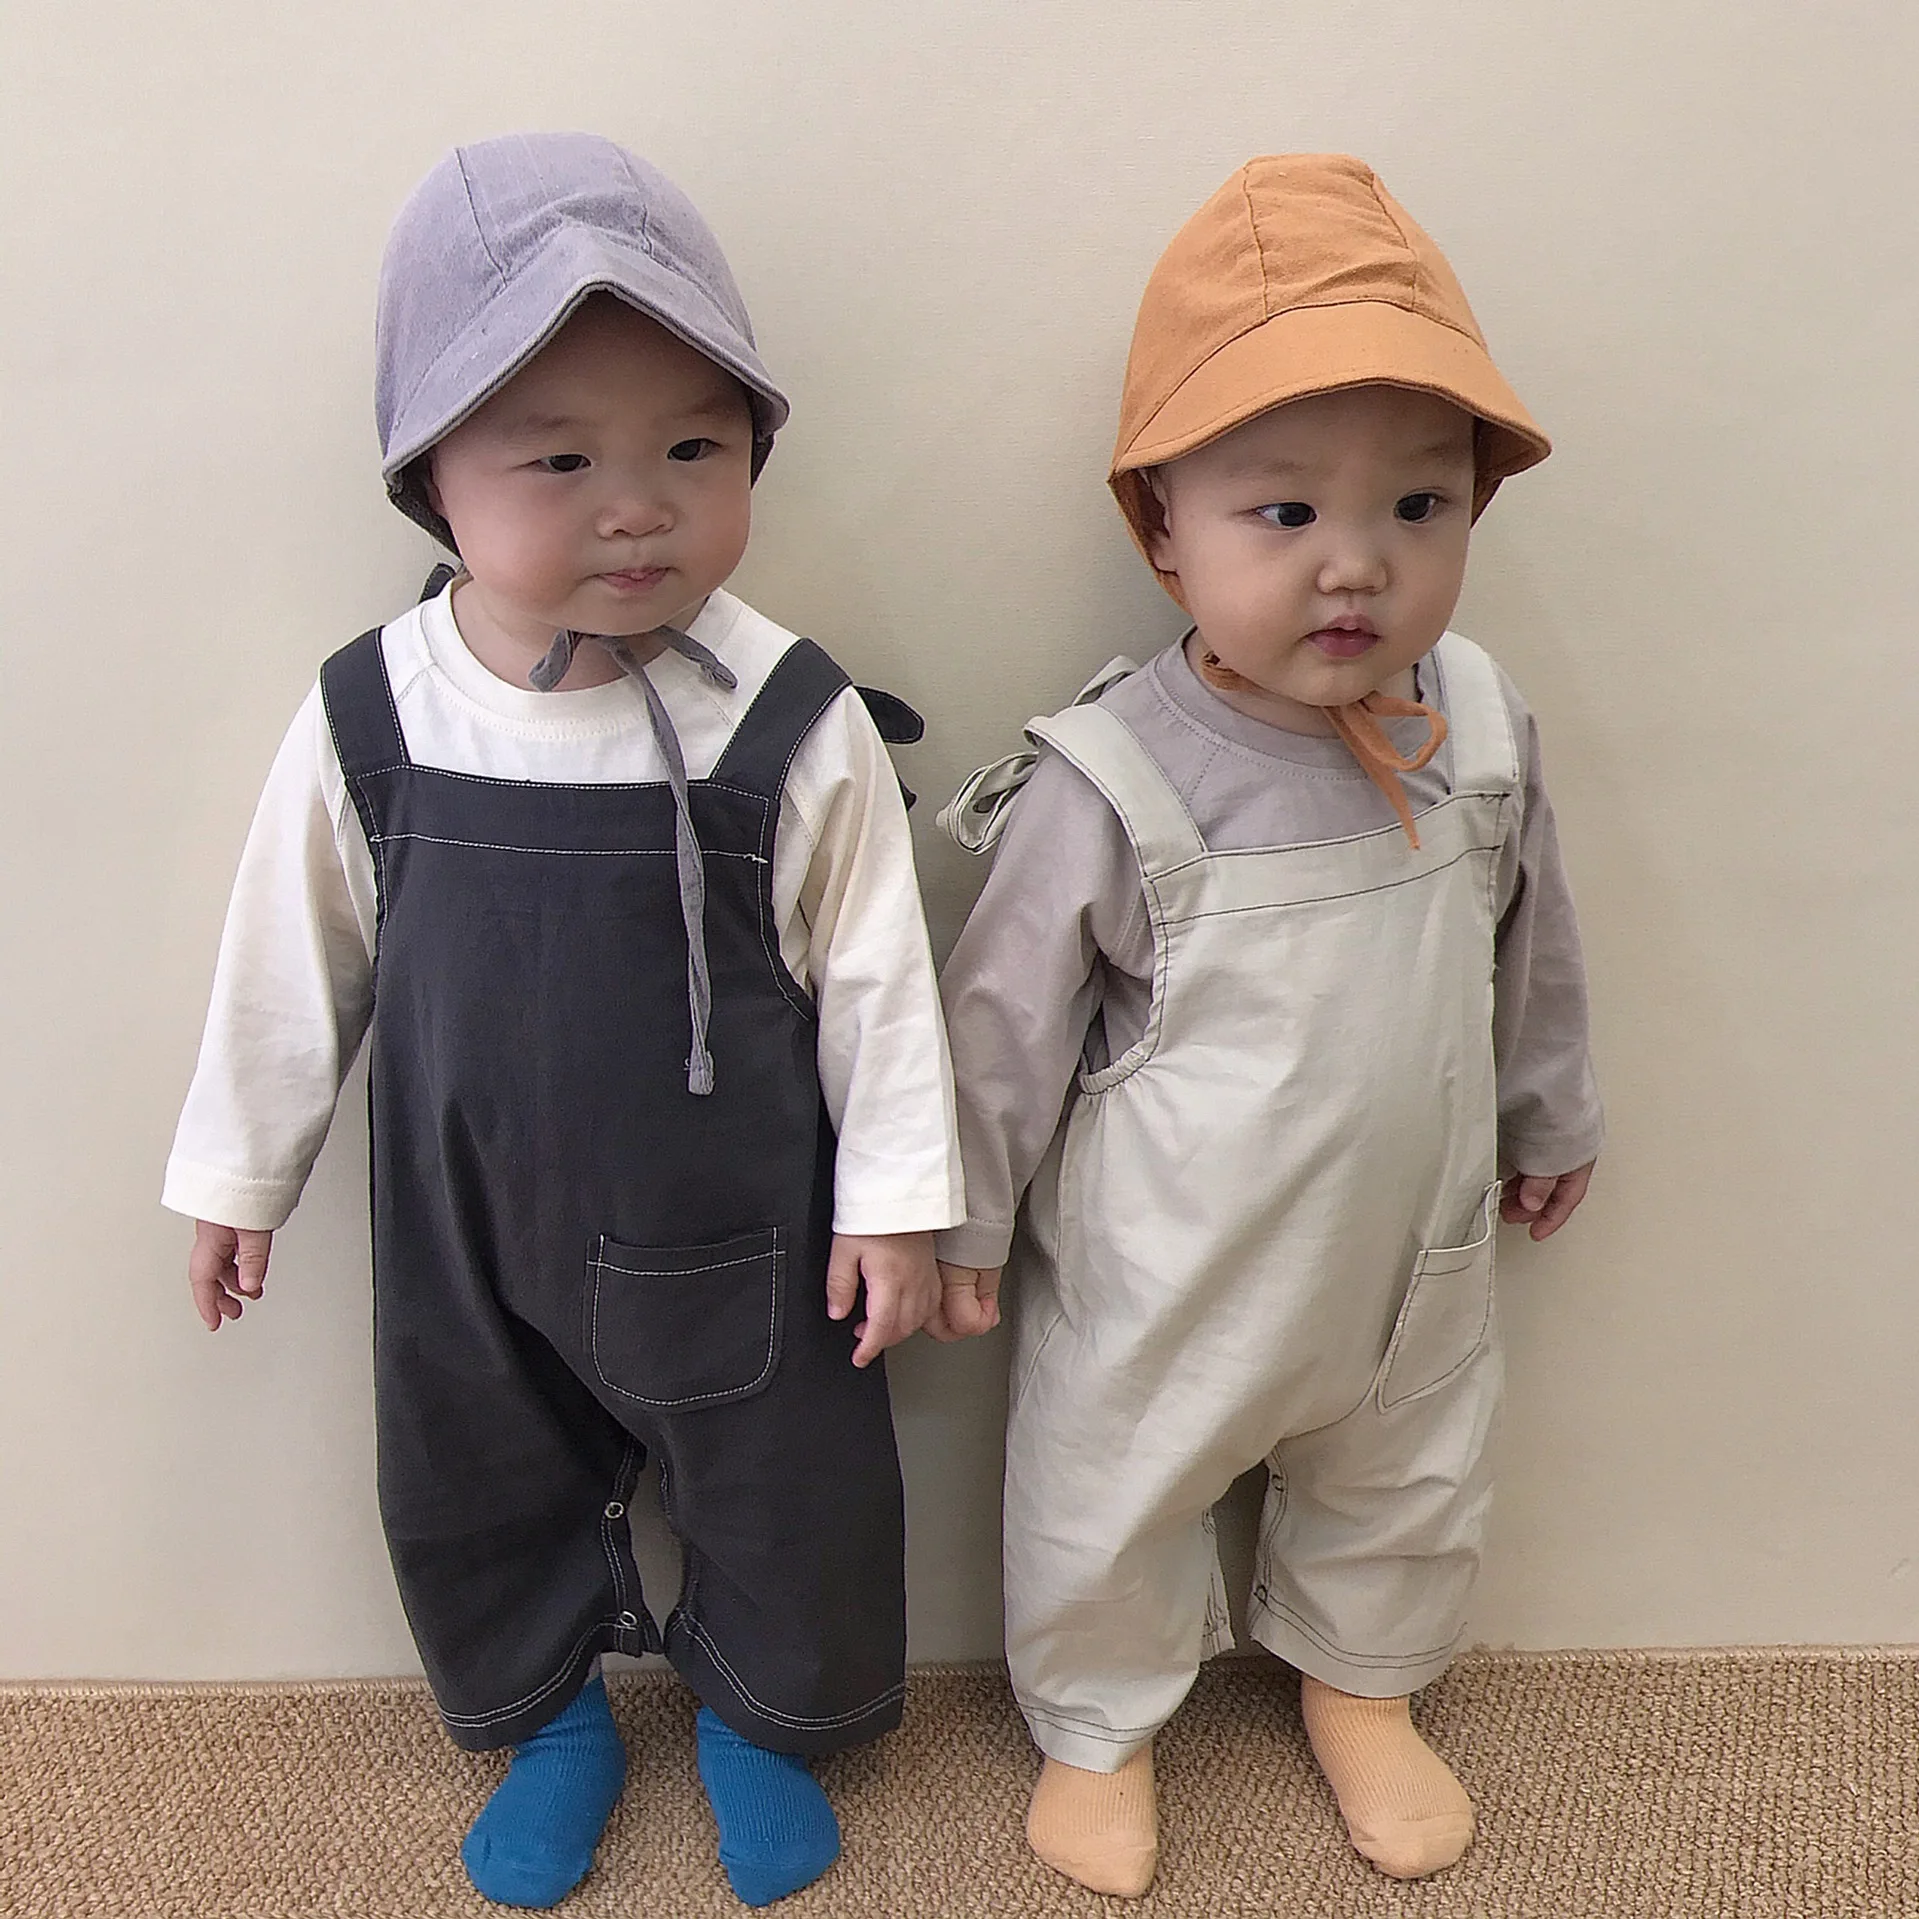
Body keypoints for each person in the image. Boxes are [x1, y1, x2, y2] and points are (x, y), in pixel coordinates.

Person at [165, 132, 966, 1911]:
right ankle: (544, 1717)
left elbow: (879, 976)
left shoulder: (790, 713)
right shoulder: (374, 715)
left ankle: (763, 1708)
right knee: (471, 1461)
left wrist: (901, 1201)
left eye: (693, 449)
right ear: (431, 481)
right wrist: (237, 1171)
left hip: (741, 1216)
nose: (636, 507)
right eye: (558, 458)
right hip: (466, 1219)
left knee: (785, 1470)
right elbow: (289, 955)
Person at [933, 154, 1604, 1895]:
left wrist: (1549, 1108)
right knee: (1107, 1485)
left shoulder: (1476, 722)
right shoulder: (1113, 776)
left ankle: (1362, 1681)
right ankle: (1099, 1722)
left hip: (1409, 1255)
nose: (1354, 565)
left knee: (1410, 1472)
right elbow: (1001, 1019)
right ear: (1160, 527)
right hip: (1172, 1275)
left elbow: (1529, 937)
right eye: (1282, 512)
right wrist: (962, 1220)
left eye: (1417, 505)